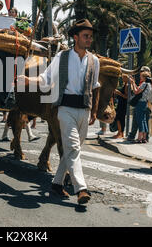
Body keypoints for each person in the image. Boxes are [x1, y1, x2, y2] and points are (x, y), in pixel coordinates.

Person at [18, 19, 100, 205]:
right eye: (86, 36)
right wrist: (28, 81)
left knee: (71, 151)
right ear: (75, 37)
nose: (89, 39)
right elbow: (46, 79)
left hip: (84, 111)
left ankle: (56, 184)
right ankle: (81, 188)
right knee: (73, 148)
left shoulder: (94, 61)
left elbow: (94, 86)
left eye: (90, 36)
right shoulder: (61, 57)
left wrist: (93, 111)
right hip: (65, 109)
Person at [127, 66, 151, 141]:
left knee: (140, 120)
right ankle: (144, 137)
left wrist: (132, 83)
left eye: (141, 76)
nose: (140, 77)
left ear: (144, 77)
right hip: (145, 103)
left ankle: (139, 138)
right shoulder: (149, 84)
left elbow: (136, 91)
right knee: (144, 121)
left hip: (140, 103)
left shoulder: (144, 83)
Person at [112, 74, 129, 139]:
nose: (122, 79)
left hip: (123, 104)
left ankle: (121, 133)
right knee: (118, 118)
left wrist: (118, 93)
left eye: (124, 78)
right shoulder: (124, 84)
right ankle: (119, 132)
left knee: (120, 118)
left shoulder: (127, 85)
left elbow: (126, 96)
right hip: (120, 103)